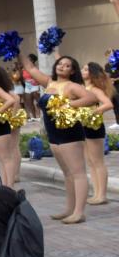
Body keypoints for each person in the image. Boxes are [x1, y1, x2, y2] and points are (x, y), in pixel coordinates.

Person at [21, 53, 96, 223]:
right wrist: (17, 50)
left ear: (72, 70)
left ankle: (79, 212)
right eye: (60, 63)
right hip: (54, 135)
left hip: (70, 134)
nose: (62, 66)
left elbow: (91, 98)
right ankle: (69, 209)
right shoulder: (49, 82)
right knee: (67, 174)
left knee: (78, 173)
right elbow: (31, 68)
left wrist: (68, 104)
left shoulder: (71, 86)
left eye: (67, 65)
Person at [82, 62, 113, 205]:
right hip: (84, 126)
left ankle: (102, 195)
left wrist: (93, 113)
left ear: (92, 73)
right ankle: (96, 193)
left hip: (94, 126)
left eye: (86, 69)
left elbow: (108, 104)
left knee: (98, 161)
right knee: (91, 161)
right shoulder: (84, 87)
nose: (82, 71)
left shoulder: (94, 89)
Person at [21, 55, 42, 121]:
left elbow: (39, 77)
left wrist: (34, 81)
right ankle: (33, 117)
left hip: (35, 85)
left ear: (32, 61)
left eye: (28, 59)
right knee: (29, 101)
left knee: (37, 101)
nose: (27, 61)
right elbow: (23, 77)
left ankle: (39, 115)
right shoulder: (24, 69)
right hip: (27, 86)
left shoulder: (35, 68)